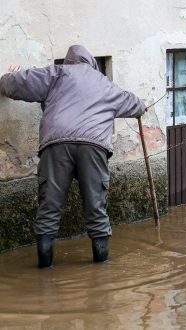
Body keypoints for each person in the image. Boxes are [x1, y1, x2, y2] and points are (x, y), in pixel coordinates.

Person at [0, 45, 146, 268]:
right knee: (96, 210)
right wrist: (143, 106)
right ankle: (101, 272)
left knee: (49, 209)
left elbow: (16, 84)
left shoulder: (56, 73)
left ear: (68, 61)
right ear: (91, 63)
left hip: (56, 145)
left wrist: (9, 77)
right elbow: (134, 104)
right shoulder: (104, 83)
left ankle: (45, 270)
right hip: (93, 147)